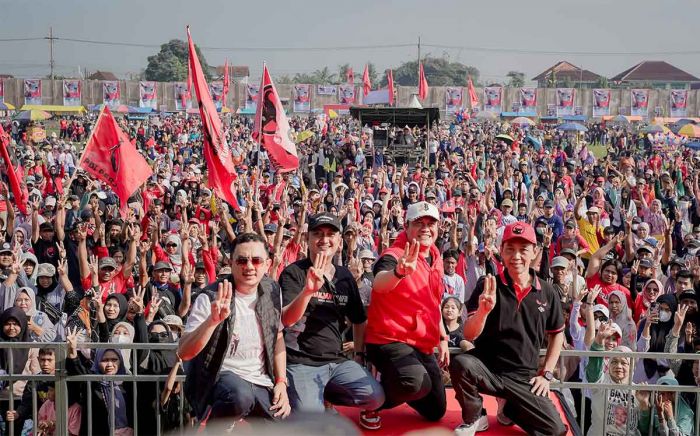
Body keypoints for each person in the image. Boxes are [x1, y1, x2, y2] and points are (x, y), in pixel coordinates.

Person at [451, 221, 567, 435]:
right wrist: (484, 311)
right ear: (501, 251)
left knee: (556, 430)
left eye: (523, 250)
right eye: (510, 249)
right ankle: (476, 416)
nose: (516, 256)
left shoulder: (548, 292)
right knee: (461, 363)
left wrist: (547, 374)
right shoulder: (488, 285)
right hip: (488, 369)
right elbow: (468, 334)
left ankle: (511, 408)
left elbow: (557, 334)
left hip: (524, 376)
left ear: (535, 252)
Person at [280, 213, 384, 427]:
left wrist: (358, 354)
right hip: (301, 361)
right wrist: (308, 291)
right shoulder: (294, 273)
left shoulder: (345, 276)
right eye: (317, 234)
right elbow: (286, 319)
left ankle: (326, 396)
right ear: (307, 239)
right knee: (313, 424)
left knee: (375, 397)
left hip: (336, 362)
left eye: (330, 234)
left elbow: (358, 319)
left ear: (339, 241)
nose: (324, 239)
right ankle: (308, 399)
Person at [179, 232, 291, 424]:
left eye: (256, 260)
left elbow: (278, 336)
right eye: (241, 260)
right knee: (241, 396)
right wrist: (212, 322)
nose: (249, 267)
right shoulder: (210, 297)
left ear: (268, 264)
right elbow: (184, 351)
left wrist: (281, 382)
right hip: (221, 380)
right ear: (231, 263)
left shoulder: (272, 291)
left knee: (282, 421)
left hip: (261, 381)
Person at [364, 201, 449, 429]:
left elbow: (434, 301)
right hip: (389, 339)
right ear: (406, 225)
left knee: (436, 411)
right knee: (413, 383)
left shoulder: (435, 256)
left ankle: (399, 380)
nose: (425, 228)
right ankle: (371, 400)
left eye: (430, 223)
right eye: (418, 223)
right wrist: (399, 272)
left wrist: (442, 338)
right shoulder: (394, 255)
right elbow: (380, 283)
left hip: (421, 344)